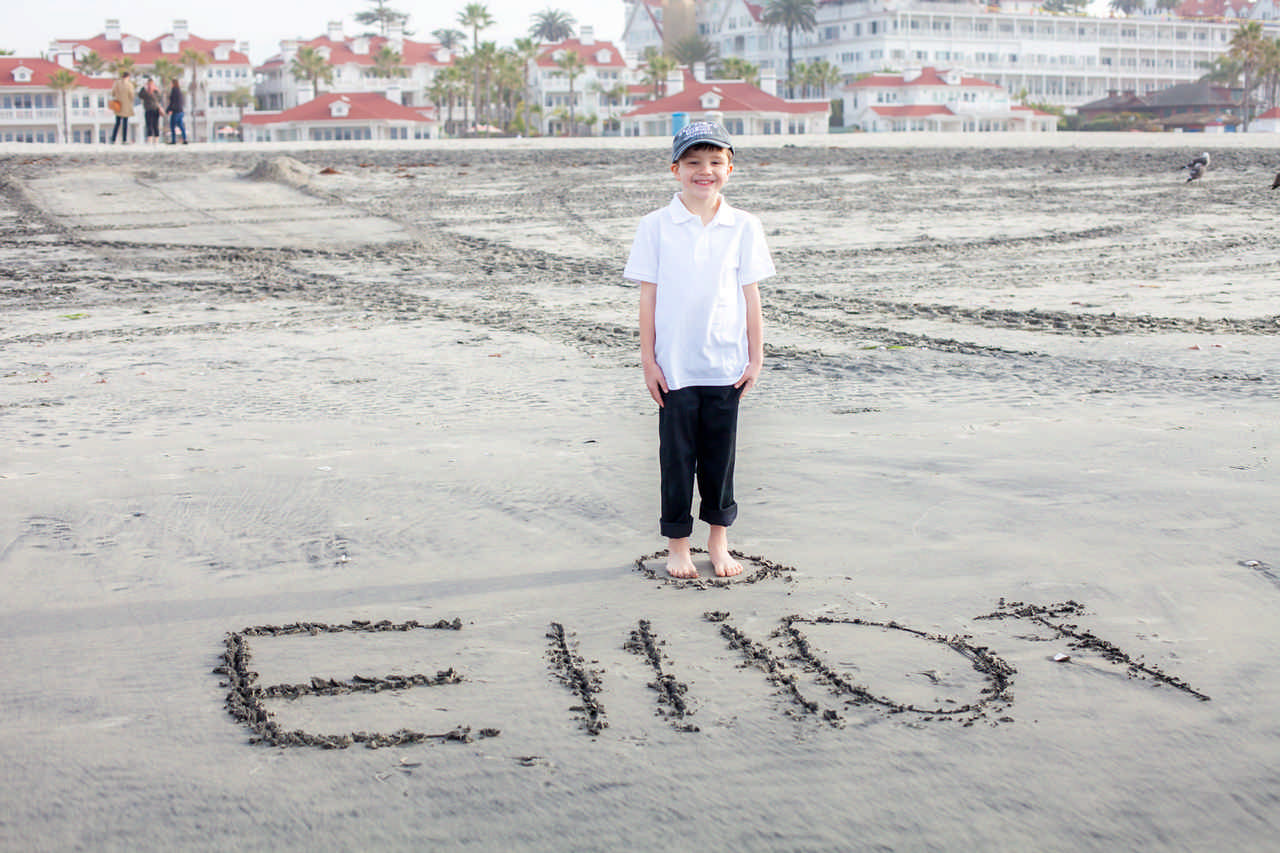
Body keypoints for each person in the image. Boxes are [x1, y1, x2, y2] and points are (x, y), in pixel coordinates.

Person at [624, 121, 775, 579]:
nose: (703, 171)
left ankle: (719, 543)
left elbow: (751, 296)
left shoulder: (744, 226)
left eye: (714, 162)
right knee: (676, 458)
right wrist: (649, 361)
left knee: (719, 460)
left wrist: (756, 358)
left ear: (729, 168)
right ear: (676, 169)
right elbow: (647, 297)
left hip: (726, 366)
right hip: (674, 367)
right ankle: (678, 546)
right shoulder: (655, 226)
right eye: (693, 162)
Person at [108, 71, 135, 144]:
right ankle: (124, 140)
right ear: (128, 77)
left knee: (117, 123)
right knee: (125, 123)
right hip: (126, 105)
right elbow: (131, 95)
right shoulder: (129, 85)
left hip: (118, 104)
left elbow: (113, 93)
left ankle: (113, 139)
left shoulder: (117, 83)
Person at [138, 77, 164, 145]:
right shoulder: (145, 91)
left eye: (151, 84)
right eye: (149, 84)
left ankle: (156, 139)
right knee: (149, 124)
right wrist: (143, 88)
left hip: (155, 109)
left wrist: (156, 91)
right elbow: (140, 95)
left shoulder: (156, 91)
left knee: (155, 124)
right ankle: (149, 139)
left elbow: (159, 99)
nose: (150, 85)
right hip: (148, 109)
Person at [167, 78, 187, 144]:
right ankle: (185, 139)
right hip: (180, 111)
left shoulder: (174, 90)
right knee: (181, 126)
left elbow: (172, 102)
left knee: (172, 126)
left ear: (173, 83)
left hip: (176, 111)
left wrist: (169, 110)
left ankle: (173, 140)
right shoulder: (179, 91)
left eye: (171, 83)